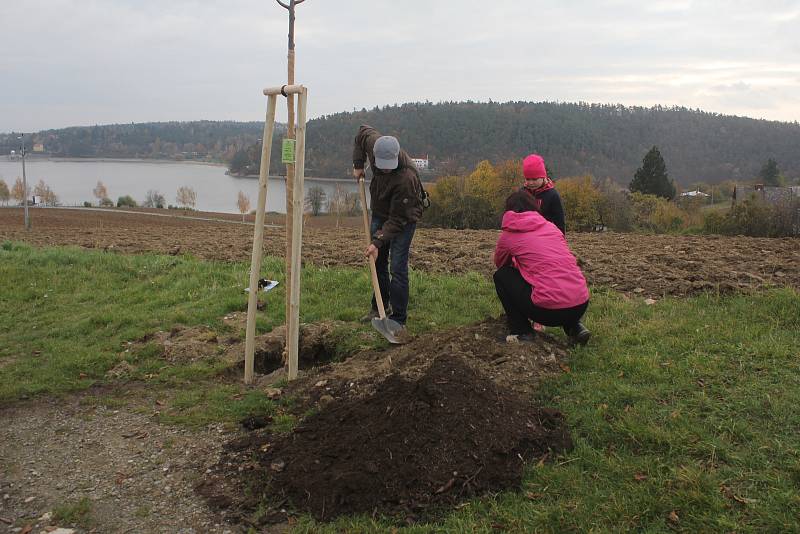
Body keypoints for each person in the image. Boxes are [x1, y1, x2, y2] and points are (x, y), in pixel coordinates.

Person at [352, 125, 425, 334]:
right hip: (381, 211)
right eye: (381, 165)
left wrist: (377, 241)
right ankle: (379, 307)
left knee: (398, 267)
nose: (384, 169)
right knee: (378, 262)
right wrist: (358, 164)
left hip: (404, 218)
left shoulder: (407, 179)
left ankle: (398, 319)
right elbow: (361, 133)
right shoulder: (373, 142)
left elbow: (398, 220)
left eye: (388, 166)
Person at [493, 190, 590, 345]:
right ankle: (575, 327)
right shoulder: (552, 228)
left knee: (502, 276)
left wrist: (520, 265)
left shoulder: (508, 235)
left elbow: (501, 263)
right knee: (557, 276)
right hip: (581, 304)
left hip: (548, 312)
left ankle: (522, 331)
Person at [521, 154, 566, 235]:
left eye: (535, 179)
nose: (531, 183)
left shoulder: (552, 195)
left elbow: (559, 222)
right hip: (525, 236)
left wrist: (560, 241)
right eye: (528, 179)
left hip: (546, 236)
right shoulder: (522, 193)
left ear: (543, 177)